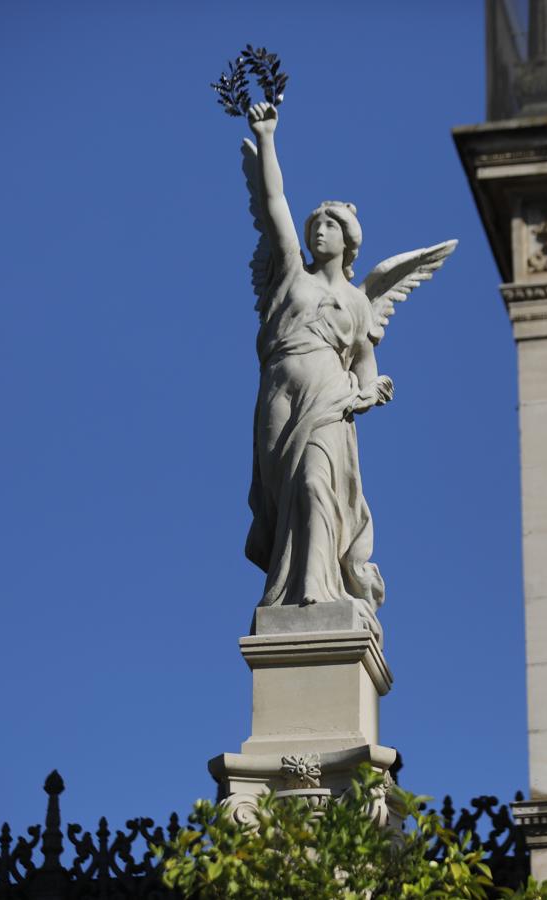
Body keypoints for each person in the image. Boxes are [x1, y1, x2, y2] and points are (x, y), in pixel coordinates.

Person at [240, 101, 393, 637]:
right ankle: (284, 591)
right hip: (279, 392)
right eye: (316, 225)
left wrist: (371, 392)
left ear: (348, 239)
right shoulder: (292, 278)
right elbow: (275, 201)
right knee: (282, 502)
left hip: (329, 396)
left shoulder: (357, 302)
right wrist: (267, 135)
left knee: (314, 483)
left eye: (330, 225)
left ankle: (318, 590)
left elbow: (368, 368)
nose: (318, 231)